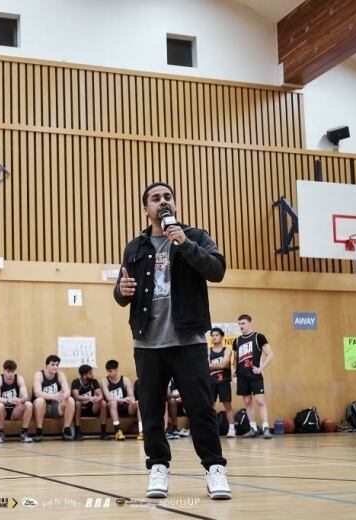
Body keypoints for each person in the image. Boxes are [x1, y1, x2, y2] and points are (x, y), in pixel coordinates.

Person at [114, 181, 231, 500]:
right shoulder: (135, 246)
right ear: (146, 209)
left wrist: (185, 244)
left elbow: (217, 270)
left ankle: (214, 470)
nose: (162, 201)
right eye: (155, 198)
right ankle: (158, 468)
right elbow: (122, 289)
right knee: (151, 410)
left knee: (200, 408)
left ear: (175, 205)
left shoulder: (195, 236)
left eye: (167, 196)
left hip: (188, 339)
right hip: (147, 343)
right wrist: (120, 292)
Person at [233, 314, 275, 439]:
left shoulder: (258, 337)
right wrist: (235, 371)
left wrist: (261, 368)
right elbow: (236, 358)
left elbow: (271, 354)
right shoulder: (237, 341)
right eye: (239, 324)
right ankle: (253, 428)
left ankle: (266, 428)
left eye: (243, 323)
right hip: (242, 376)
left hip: (255, 375)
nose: (241, 326)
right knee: (247, 402)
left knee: (260, 401)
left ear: (249, 323)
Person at [32, 355, 75, 441]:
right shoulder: (39, 375)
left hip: (56, 407)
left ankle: (66, 430)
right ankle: (39, 431)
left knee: (70, 400)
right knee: (40, 400)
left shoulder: (60, 375)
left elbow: (67, 391)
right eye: (52, 364)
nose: (55, 367)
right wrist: (53, 396)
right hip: (42, 408)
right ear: (46, 365)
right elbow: (37, 393)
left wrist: (62, 396)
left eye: (57, 365)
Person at [0, 359, 34, 443]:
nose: (10, 374)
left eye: (12, 372)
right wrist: (9, 400)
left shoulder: (19, 379)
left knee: (29, 404)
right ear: (4, 371)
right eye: (8, 372)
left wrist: (20, 400)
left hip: (15, 410)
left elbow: (25, 396)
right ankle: (1, 433)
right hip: (3, 410)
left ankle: (24, 433)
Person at [209, 327, 236, 438]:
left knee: (227, 405)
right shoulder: (208, 350)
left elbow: (224, 364)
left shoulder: (227, 350)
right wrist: (218, 366)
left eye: (217, 335)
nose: (214, 337)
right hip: (211, 381)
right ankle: (210, 429)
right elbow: (205, 365)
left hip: (223, 381)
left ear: (221, 336)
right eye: (213, 335)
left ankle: (232, 429)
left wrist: (211, 366)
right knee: (210, 406)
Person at [101, 359, 137, 441]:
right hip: (111, 408)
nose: (108, 373)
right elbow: (108, 398)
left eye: (111, 371)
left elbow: (131, 396)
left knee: (138, 403)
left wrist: (130, 400)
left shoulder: (125, 380)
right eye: (107, 371)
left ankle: (142, 431)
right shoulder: (104, 381)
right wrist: (122, 400)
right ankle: (118, 431)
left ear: (116, 370)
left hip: (124, 406)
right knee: (113, 402)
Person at [71, 364, 108, 440]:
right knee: (77, 403)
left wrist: (98, 398)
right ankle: (77, 431)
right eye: (90, 373)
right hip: (80, 409)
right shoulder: (76, 382)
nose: (92, 375)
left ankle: (103, 432)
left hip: (92, 409)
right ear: (84, 375)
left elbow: (100, 394)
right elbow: (76, 396)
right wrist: (89, 398)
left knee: (103, 403)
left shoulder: (93, 381)